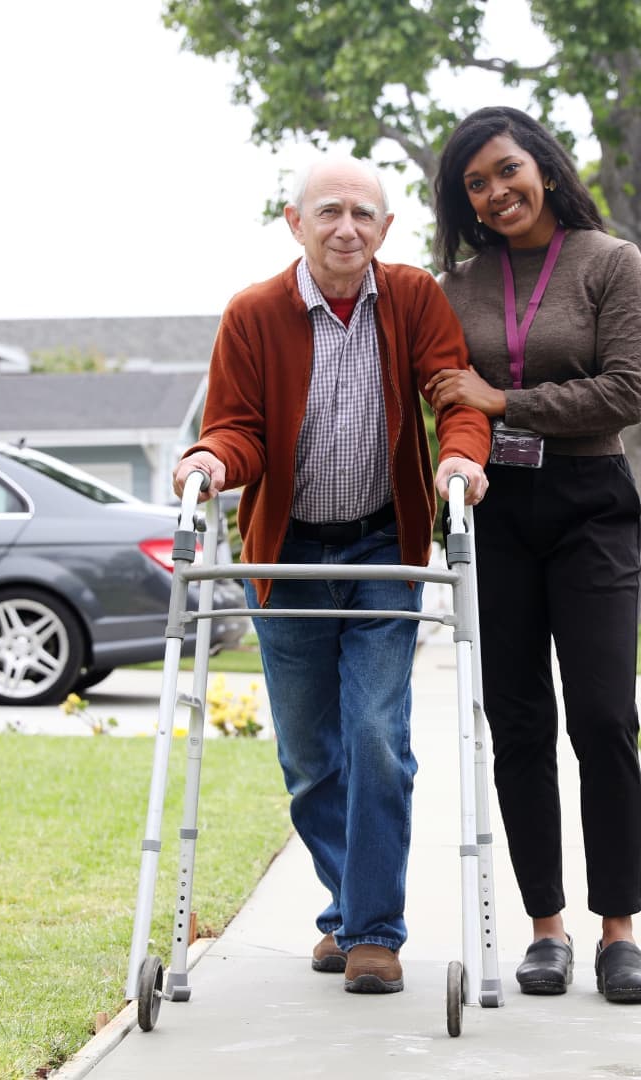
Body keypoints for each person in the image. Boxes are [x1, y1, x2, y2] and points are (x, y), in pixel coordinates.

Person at [173, 155, 490, 996]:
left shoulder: (415, 298)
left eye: (363, 214)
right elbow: (238, 428)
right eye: (329, 212)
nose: (346, 227)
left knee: (378, 739)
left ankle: (374, 933)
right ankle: (347, 914)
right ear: (295, 222)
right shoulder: (253, 314)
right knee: (312, 757)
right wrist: (210, 456)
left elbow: (454, 397)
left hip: (386, 549)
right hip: (286, 557)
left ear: (385, 229)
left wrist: (461, 458)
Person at [426, 106, 641, 1004]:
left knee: (602, 717)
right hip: (494, 507)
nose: (494, 193)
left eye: (505, 170)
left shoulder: (610, 261)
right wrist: (472, 414)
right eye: (475, 186)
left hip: (590, 502)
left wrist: (500, 398)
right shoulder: (457, 286)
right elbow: (448, 398)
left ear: (544, 167)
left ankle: (619, 932)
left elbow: (625, 394)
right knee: (517, 724)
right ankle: (547, 930)